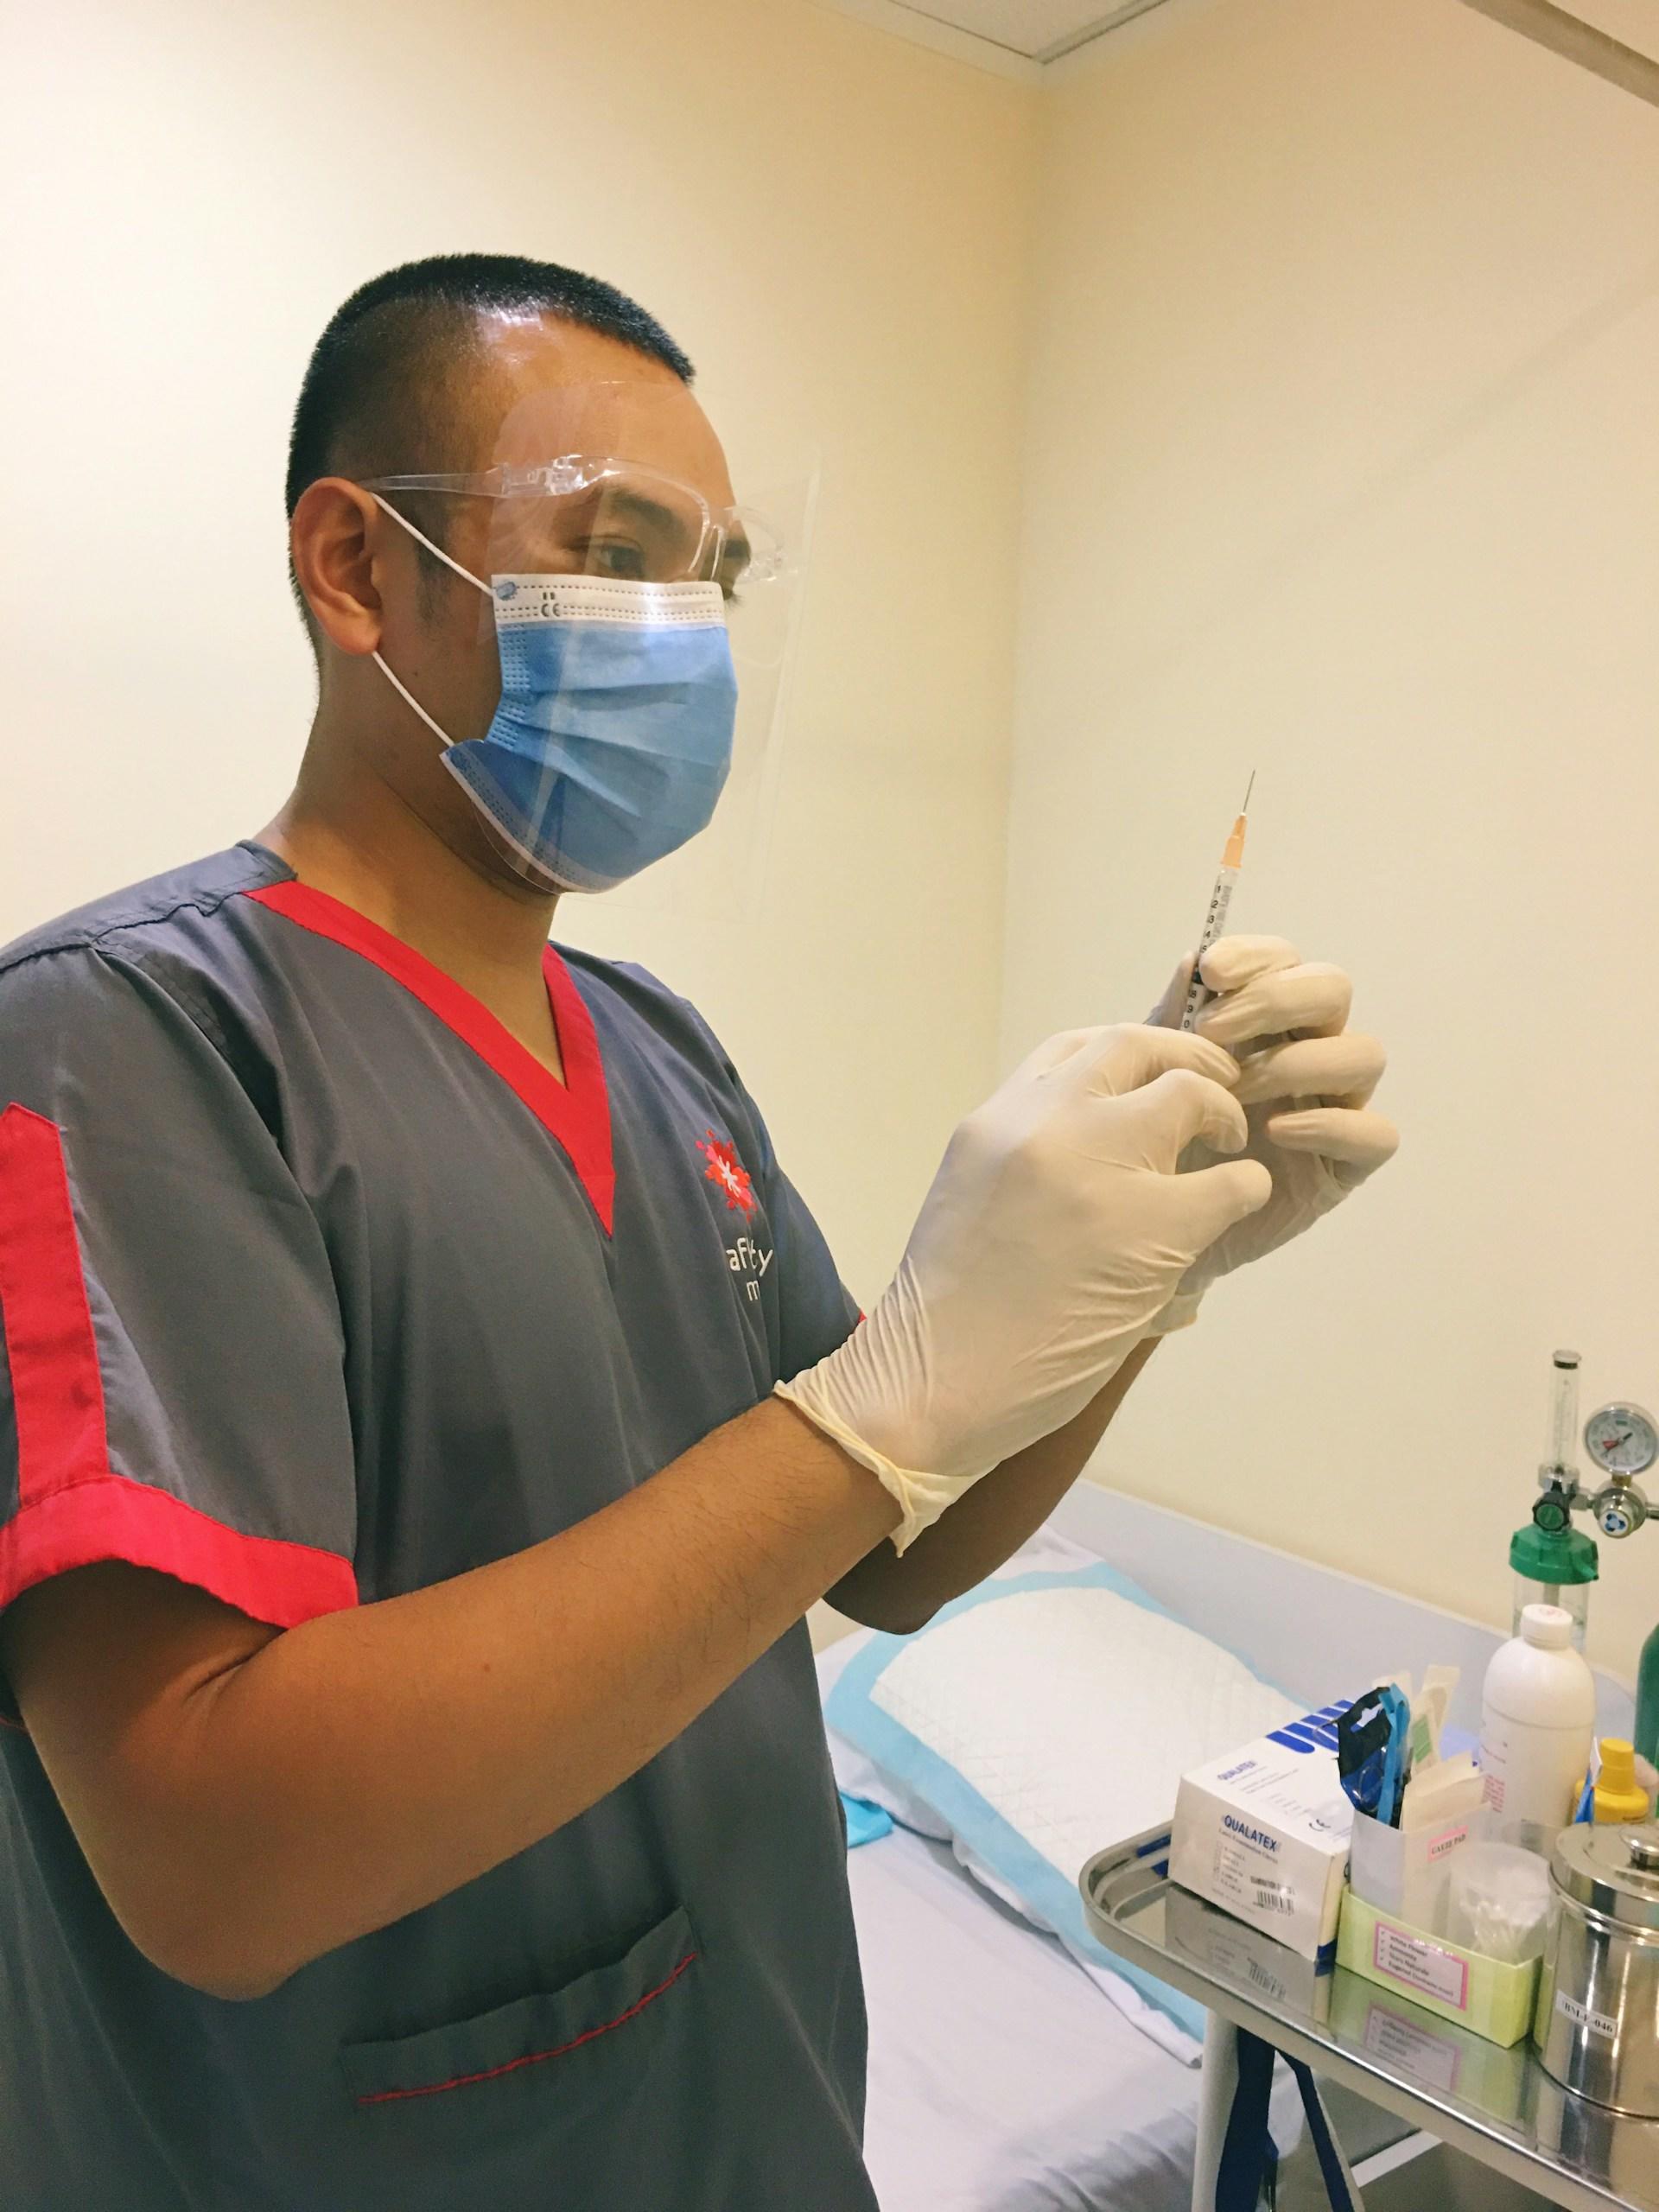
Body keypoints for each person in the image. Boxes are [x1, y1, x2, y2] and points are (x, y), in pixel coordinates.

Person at [0, 253, 1397, 2210]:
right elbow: (209, 1853)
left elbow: (888, 1549)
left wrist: (1137, 1273)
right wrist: (873, 1416)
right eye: (618, 551)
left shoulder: (657, 1052)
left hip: (759, 2125)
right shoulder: (130, 1042)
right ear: (354, 565)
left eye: (713, 576)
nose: (684, 631)